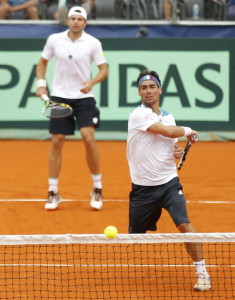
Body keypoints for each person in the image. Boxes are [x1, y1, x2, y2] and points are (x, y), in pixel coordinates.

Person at [126, 70, 211, 291]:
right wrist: (188, 130)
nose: (148, 91)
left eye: (152, 87)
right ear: (139, 92)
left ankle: (202, 272)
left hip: (169, 183)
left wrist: (176, 150)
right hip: (143, 189)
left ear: (160, 89)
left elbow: (168, 140)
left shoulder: (168, 116)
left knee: (184, 223)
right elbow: (166, 131)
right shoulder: (138, 115)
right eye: (144, 88)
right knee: (134, 236)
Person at [36, 6, 108, 211]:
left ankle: (97, 187)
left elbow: (104, 70)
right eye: (73, 18)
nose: (76, 22)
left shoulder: (93, 43)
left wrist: (92, 82)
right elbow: (42, 63)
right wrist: (40, 83)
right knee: (57, 142)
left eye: (80, 19)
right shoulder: (54, 39)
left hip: (84, 98)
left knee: (88, 137)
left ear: (85, 23)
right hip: (59, 98)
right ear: (67, 21)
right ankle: (53, 191)